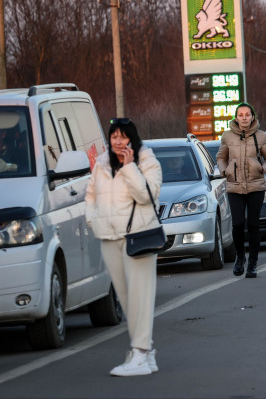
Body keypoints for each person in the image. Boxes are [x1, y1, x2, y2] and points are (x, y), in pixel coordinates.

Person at [85, 118, 162, 376]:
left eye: (123, 136)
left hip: (137, 235)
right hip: (109, 236)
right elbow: (91, 195)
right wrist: (92, 219)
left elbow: (145, 196)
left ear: (133, 138)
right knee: (127, 298)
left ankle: (139, 353)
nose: (118, 142)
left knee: (141, 295)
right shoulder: (102, 163)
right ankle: (145, 352)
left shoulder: (147, 160)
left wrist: (130, 167)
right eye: (114, 136)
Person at [216, 102, 266, 278]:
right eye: (240, 115)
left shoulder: (261, 136)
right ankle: (240, 257)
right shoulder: (227, 136)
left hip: (256, 185)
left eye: (247, 115)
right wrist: (224, 170)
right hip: (234, 186)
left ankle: (253, 263)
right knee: (238, 224)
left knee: (253, 225)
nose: (244, 118)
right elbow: (221, 157)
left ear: (252, 117)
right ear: (236, 117)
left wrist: (262, 168)